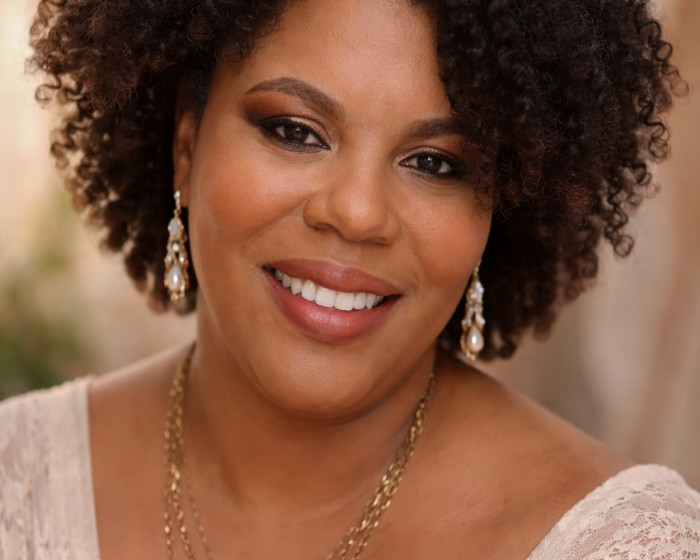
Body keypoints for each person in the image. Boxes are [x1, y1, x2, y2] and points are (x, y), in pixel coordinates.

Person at [1, 0, 698, 558]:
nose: (358, 213)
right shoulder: (16, 481)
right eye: (295, 131)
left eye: (435, 163)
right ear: (186, 145)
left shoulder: (623, 544)